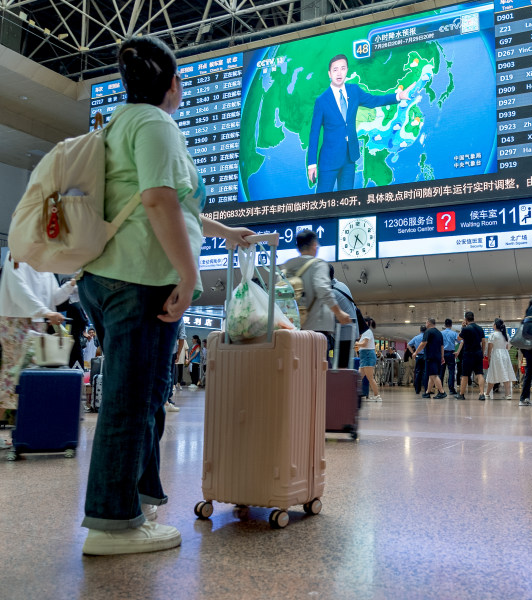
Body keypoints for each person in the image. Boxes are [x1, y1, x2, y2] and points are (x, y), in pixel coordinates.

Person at [76, 36, 254, 556]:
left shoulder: (117, 125)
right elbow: (157, 201)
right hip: (140, 278)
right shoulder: (156, 123)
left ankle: (139, 500)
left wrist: (223, 233)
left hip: (109, 275)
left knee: (147, 395)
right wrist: (187, 272)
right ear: (173, 84)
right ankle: (113, 523)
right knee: (131, 402)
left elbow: (166, 201)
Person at [307, 54, 413, 192]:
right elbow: (314, 134)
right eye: (335, 69)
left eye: (342, 68)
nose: (339, 73)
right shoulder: (321, 101)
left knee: (347, 203)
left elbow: (373, 100)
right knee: (323, 203)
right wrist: (311, 164)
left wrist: (398, 96)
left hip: (350, 157)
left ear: (347, 70)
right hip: (329, 160)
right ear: (329, 73)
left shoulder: (354, 91)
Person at [0, 257, 74, 425]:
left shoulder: (44, 263)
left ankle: (21, 432)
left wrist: (71, 284)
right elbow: (18, 289)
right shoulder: (17, 254)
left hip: (37, 321)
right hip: (16, 319)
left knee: (27, 377)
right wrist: (46, 312)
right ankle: (15, 429)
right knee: (12, 375)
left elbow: (53, 297)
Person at [282, 230, 351, 358]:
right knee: (317, 369)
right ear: (314, 245)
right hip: (316, 329)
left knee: (297, 368)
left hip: (293, 329)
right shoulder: (318, 265)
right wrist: (339, 313)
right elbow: (323, 289)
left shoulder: (286, 268)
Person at [329, 265, 358, 368]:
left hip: (344, 333)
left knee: (340, 368)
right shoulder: (341, 285)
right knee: (343, 366)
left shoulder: (332, 292)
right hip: (350, 331)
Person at [455, 311, 486, 401]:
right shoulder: (480, 328)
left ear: (465, 319)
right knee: (479, 374)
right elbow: (483, 341)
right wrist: (482, 353)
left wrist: (463, 327)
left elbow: (458, 338)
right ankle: (481, 394)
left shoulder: (466, 329)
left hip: (468, 354)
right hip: (478, 353)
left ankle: (461, 394)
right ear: (473, 318)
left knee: (465, 375)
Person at [413, 318, 446, 399]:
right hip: (437, 356)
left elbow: (423, 343)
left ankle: (442, 392)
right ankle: (427, 392)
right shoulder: (439, 333)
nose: (426, 324)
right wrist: (442, 356)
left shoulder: (428, 331)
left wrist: (416, 352)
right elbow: (442, 346)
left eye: (426, 323)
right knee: (431, 375)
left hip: (430, 356)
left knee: (434, 375)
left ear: (428, 323)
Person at [483, 318, 516, 400]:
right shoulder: (506, 335)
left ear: (495, 325)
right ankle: (508, 394)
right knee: (506, 373)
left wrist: (488, 357)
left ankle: (487, 393)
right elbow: (507, 347)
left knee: (493, 373)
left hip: (496, 355)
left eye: (493, 324)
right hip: (505, 355)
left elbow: (490, 348)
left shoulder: (493, 335)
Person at [355, 317, 381, 402]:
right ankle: (355, 394)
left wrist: (356, 343)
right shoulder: (364, 333)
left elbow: (364, 343)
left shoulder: (367, 332)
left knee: (370, 377)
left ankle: (377, 396)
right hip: (364, 356)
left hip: (368, 356)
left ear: (365, 323)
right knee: (359, 377)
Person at [441, 318, 458, 395]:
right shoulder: (454, 333)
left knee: (441, 372)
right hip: (451, 354)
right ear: (451, 325)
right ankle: (451, 389)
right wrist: (457, 352)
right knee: (451, 372)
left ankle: (440, 389)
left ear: (444, 325)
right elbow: (461, 342)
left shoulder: (441, 333)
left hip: (442, 354)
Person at [409, 325, 427, 394]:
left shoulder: (416, 337)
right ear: (426, 331)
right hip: (425, 356)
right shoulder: (426, 337)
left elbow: (408, 345)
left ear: (420, 330)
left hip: (418, 356)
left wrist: (413, 353)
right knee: (425, 373)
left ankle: (417, 389)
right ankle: (426, 389)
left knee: (417, 373)